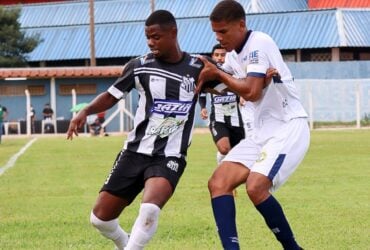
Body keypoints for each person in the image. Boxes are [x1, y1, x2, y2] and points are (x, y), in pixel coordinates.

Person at [66, 10, 232, 250]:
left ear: (173, 33)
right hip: (134, 152)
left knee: (150, 208)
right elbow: (112, 96)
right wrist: (85, 111)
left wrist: (242, 77)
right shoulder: (139, 66)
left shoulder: (198, 67)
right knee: (100, 219)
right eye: (148, 37)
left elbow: (234, 88)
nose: (150, 42)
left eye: (155, 36)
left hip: (170, 155)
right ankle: (124, 243)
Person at [196, 1, 310, 249]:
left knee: (256, 187)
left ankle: (293, 248)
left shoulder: (258, 43)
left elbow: (251, 92)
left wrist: (219, 74)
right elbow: (223, 87)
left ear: (241, 24)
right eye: (215, 32)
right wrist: (199, 77)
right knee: (218, 183)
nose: (219, 37)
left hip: (287, 127)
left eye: (223, 31)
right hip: (259, 134)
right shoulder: (234, 56)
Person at [199, 44, 247, 196]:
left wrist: (242, 97)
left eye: (222, 55)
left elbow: (243, 88)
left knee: (238, 154)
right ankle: (225, 180)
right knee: (224, 148)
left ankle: (229, 173)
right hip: (218, 118)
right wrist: (203, 107)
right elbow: (202, 91)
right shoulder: (210, 75)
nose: (220, 57)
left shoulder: (234, 72)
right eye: (217, 55)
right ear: (212, 57)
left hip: (236, 119)